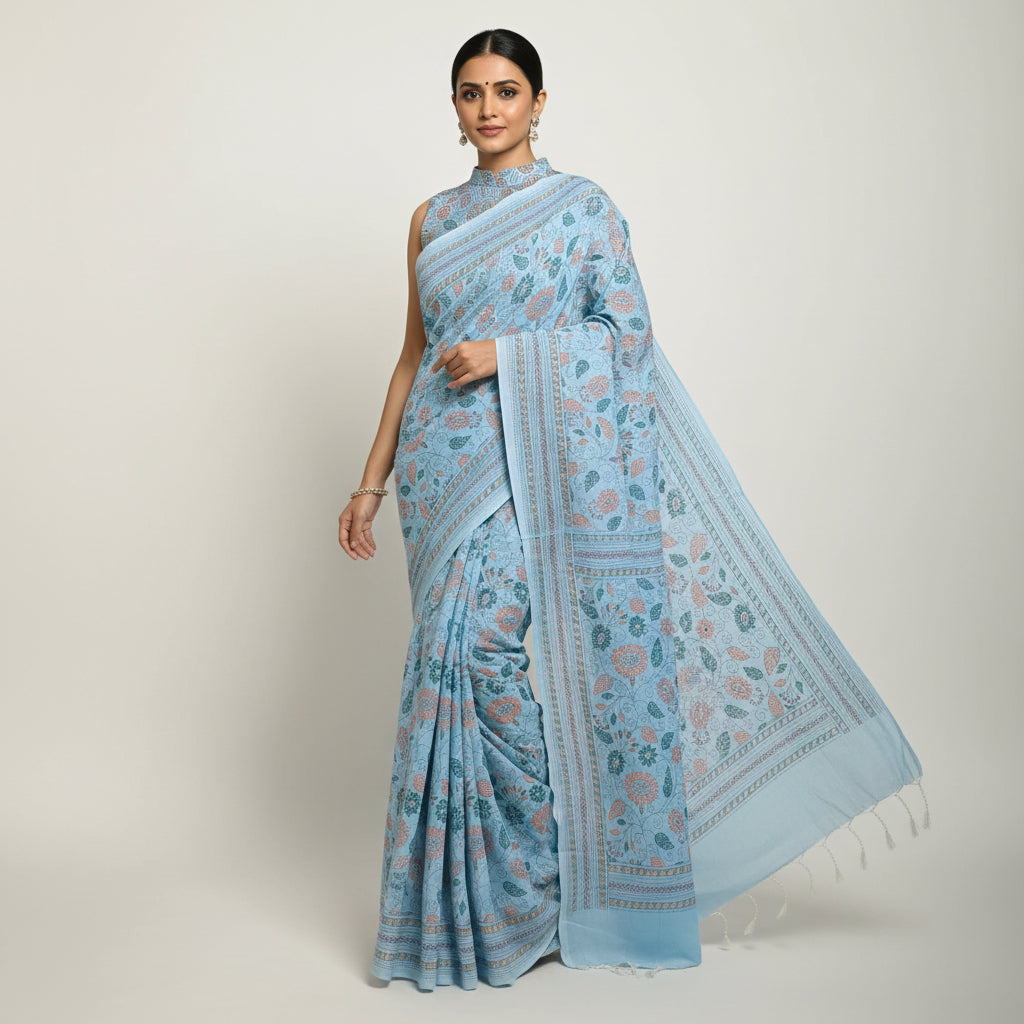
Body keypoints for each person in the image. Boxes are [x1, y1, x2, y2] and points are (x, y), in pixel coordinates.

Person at [339, 27, 927, 992]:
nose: (489, 108)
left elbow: (626, 338)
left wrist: (508, 355)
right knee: (444, 666)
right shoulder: (430, 219)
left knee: (482, 653)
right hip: (442, 472)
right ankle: (480, 907)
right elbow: (411, 358)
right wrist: (372, 482)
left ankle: (546, 881)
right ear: (453, 107)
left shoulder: (583, 210)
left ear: (538, 103)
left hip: (532, 465)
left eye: (507, 90)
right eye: (472, 92)